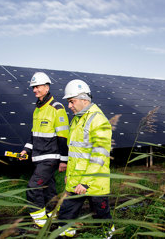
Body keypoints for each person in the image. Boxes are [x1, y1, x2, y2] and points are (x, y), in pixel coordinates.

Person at [57, 79, 113, 237]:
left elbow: (99, 153)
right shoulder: (76, 119)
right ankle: (66, 234)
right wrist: (69, 175)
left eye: (71, 101)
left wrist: (86, 181)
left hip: (94, 182)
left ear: (84, 99)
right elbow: (74, 152)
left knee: (101, 215)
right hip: (76, 180)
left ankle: (107, 234)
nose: (69, 106)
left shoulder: (98, 120)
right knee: (65, 216)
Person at [20, 72, 69, 228]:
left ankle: (40, 222)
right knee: (48, 189)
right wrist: (26, 150)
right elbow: (34, 134)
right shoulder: (37, 109)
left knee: (33, 188)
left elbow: (63, 136)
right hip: (38, 157)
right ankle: (55, 217)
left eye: (38, 87)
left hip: (50, 157)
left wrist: (63, 160)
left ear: (46, 87)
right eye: (33, 87)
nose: (35, 90)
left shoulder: (57, 108)